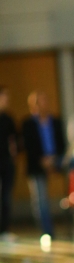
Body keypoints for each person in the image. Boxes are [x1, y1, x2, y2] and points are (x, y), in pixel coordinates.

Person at [22, 91, 65, 240]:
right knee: (40, 199)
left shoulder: (56, 121)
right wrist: (43, 160)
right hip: (37, 164)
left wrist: (54, 159)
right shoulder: (28, 124)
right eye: (40, 102)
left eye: (45, 100)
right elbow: (28, 147)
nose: (44, 104)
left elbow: (62, 144)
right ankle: (47, 231)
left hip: (57, 160)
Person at [0, 87, 17, 240]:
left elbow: (14, 140)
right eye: (4, 97)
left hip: (6, 163)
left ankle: (4, 230)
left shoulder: (8, 118)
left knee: (5, 197)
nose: (7, 100)